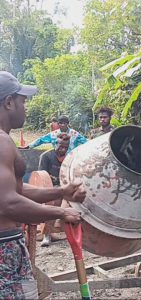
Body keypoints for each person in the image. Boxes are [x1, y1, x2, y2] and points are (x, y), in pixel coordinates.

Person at [0, 71, 86, 299]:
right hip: (4, 246)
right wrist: (60, 211)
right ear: (9, 102)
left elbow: (15, 191)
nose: (25, 107)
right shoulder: (1, 142)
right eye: (23, 101)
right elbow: (7, 203)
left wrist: (61, 191)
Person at [38, 133, 71, 246]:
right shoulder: (46, 156)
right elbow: (42, 176)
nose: (63, 149)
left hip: (65, 187)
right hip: (49, 188)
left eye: (66, 147)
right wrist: (56, 181)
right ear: (55, 143)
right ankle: (47, 234)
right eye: (61, 146)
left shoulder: (69, 158)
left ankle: (66, 230)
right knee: (52, 201)